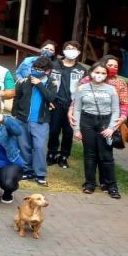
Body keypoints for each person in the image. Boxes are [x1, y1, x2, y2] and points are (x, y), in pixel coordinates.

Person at [73, 63, 122, 197]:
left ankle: (112, 186)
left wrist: (111, 128)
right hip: (87, 121)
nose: (99, 75)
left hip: (105, 122)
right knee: (90, 154)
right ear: (91, 73)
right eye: (97, 72)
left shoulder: (111, 90)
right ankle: (89, 183)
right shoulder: (82, 88)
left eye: (103, 73)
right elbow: (77, 109)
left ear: (106, 75)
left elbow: (116, 110)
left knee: (106, 155)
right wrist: (76, 129)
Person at [11, 56, 54, 186]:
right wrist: (15, 114)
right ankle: (27, 170)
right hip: (22, 119)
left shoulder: (51, 83)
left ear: (47, 71)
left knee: (39, 147)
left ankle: (40, 173)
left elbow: (51, 97)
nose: (36, 71)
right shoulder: (24, 81)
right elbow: (17, 98)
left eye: (40, 69)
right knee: (24, 146)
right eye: (34, 68)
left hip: (40, 121)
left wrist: (39, 85)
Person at [48, 41, 85, 169]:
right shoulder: (54, 65)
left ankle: (64, 156)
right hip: (56, 103)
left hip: (72, 104)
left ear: (78, 52)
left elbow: (83, 89)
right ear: (63, 51)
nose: (70, 50)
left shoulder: (81, 70)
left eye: (73, 48)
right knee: (54, 130)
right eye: (67, 48)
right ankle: (51, 153)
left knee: (68, 131)